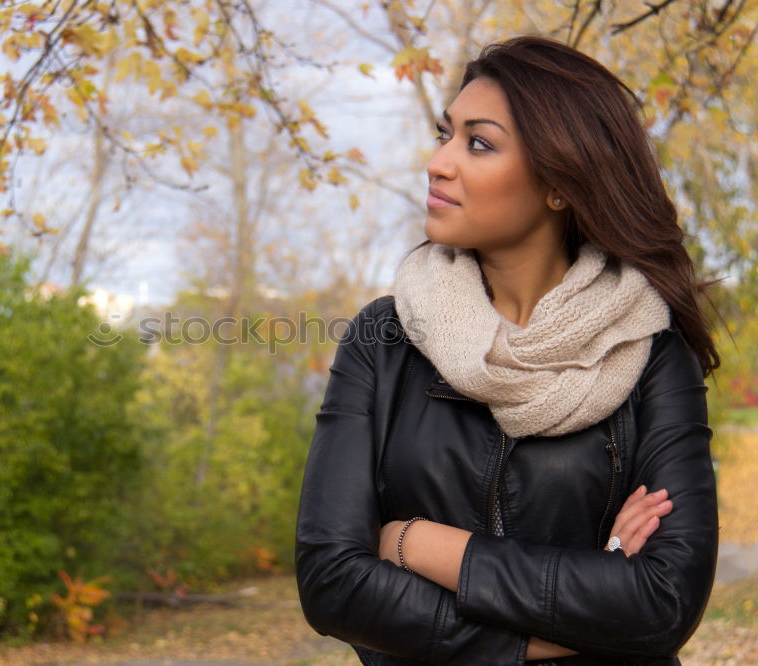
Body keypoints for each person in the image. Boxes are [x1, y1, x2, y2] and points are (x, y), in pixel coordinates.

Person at [294, 36, 719, 665]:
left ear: (559, 183)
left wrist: (417, 543)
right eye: (445, 135)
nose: (439, 162)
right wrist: (571, 617)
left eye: (478, 143)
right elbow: (333, 582)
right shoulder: (383, 340)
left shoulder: (649, 350)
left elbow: (662, 601)